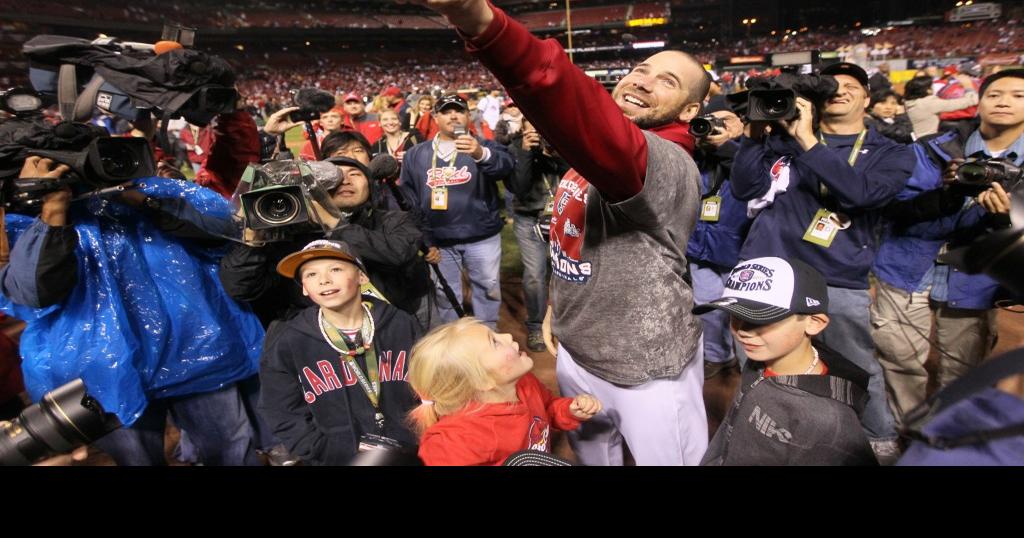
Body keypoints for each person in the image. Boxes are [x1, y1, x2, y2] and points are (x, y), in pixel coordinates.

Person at [414, 0, 708, 465]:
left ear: (690, 110)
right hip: (578, 347)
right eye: (641, 68)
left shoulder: (665, 162)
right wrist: (559, 305)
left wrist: (480, 20)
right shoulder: (607, 158)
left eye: (667, 82)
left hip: (645, 365)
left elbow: (568, 100)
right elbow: (580, 243)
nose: (642, 80)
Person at [0, 155, 264, 466]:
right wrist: (52, 207)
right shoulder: (21, 216)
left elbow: (227, 230)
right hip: (102, 370)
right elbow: (32, 291)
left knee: (232, 452)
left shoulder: (151, 192)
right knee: (136, 461)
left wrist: (147, 203)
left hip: (199, 352)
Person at [730, 62, 916, 459]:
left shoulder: (892, 153)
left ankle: (878, 440)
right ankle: (755, 428)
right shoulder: (782, 142)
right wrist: (753, 133)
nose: (840, 90)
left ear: (868, 98)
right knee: (761, 360)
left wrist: (809, 142)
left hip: (837, 276)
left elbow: (861, 194)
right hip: (771, 271)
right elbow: (745, 188)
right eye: (832, 84)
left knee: (855, 364)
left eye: (851, 85)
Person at [871, 69, 1024, 423]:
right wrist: (949, 194)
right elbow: (892, 209)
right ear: (978, 102)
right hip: (907, 267)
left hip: (976, 280)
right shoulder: (935, 149)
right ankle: (907, 430)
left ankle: (945, 437)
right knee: (899, 360)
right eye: (995, 94)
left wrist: (1004, 219)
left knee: (961, 368)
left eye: (1018, 95)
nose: (1004, 102)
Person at [695, 257, 877, 466]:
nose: (742, 331)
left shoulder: (830, 423)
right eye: (734, 315)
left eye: (760, 319)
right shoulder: (759, 362)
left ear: (814, 323)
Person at [219, 155, 434, 329]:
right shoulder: (293, 231)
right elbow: (240, 288)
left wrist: (334, 223)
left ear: (370, 186)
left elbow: (398, 253)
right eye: (336, 176)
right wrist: (253, 243)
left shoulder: (393, 220)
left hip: (388, 327)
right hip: (317, 340)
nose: (345, 180)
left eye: (355, 174)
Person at [258, 240, 421, 465]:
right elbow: (280, 408)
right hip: (338, 458)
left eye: (335, 269)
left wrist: (423, 433)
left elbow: (433, 386)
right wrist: (322, 449)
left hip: (411, 450)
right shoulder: (289, 340)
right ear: (304, 287)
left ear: (362, 277)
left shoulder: (401, 323)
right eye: (311, 274)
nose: (324, 280)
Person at [407, 317, 601, 466]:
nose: (507, 336)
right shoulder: (456, 440)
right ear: (482, 381)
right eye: (494, 342)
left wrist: (569, 411)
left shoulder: (524, 382)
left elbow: (547, 408)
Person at [398, 94, 514, 329]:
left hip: (482, 235)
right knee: (445, 291)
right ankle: (454, 338)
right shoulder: (416, 154)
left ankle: (486, 333)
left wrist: (480, 154)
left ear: (468, 116)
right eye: (446, 111)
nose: (453, 115)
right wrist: (425, 239)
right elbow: (409, 200)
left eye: (459, 111)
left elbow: (507, 168)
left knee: (488, 288)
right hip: (438, 240)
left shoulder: (484, 146)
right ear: (435, 117)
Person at [685, 107, 751, 378]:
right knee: (708, 308)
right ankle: (718, 356)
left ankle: (752, 368)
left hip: (740, 248)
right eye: (712, 121)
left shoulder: (751, 152)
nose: (717, 126)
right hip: (700, 246)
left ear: (742, 123)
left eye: (726, 121)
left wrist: (729, 146)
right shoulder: (696, 155)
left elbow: (753, 181)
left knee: (745, 312)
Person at [504, 119, 570, 351]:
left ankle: (566, 325)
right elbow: (518, 187)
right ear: (524, 129)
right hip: (528, 218)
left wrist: (552, 151)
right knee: (534, 275)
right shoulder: (514, 149)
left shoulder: (563, 144)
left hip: (563, 218)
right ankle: (535, 326)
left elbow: (573, 173)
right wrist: (526, 153)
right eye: (531, 126)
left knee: (568, 272)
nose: (537, 130)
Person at [904, 73, 979, 138]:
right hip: (928, 142)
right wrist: (968, 86)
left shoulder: (910, 103)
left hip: (918, 140)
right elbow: (970, 101)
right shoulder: (928, 103)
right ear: (928, 90)